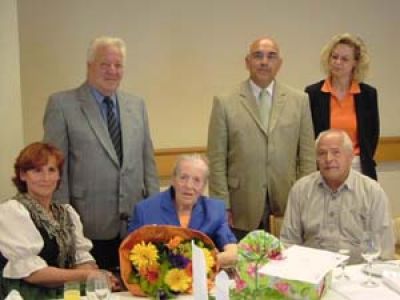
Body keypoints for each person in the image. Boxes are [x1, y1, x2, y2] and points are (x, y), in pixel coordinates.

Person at [43, 36, 160, 271]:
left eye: (118, 65)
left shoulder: (136, 105)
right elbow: (55, 169)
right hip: (87, 227)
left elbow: (148, 162)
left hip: (135, 226)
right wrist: (63, 224)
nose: (112, 71)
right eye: (105, 64)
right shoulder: (62, 105)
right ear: (89, 66)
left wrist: (154, 210)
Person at [207, 36, 316, 239]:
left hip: (287, 204)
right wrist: (222, 206)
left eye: (271, 56)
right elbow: (216, 160)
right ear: (247, 62)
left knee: (286, 267)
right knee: (243, 268)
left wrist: (305, 200)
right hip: (241, 207)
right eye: (258, 56)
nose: (264, 61)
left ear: (279, 64)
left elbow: (308, 157)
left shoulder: (299, 101)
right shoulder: (225, 102)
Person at [0, 142, 119, 299]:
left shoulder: (67, 213)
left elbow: (84, 260)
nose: (46, 178)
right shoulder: (12, 211)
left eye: (52, 170)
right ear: (22, 175)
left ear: (58, 175)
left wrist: (92, 274)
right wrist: (89, 275)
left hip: (66, 292)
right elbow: (33, 274)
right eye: (37, 170)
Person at [280, 129, 394, 263]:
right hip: (312, 273)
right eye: (322, 153)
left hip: (357, 275)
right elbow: (288, 243)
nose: (328, 159)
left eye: (336, 152)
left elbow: (383, 251)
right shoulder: (301, 190)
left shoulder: (372, 192)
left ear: (350, 156)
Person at [128, 154, 237, 267]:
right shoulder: (145, 211)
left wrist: (205, 262)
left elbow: (232, 252)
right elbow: (129, 255)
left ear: (204, 186)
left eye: (197, 180)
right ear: (173, 180)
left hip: (203, 280)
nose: (189, 185)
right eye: (183, 177)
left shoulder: (215, 210)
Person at [306, 33, 379, 180]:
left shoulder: (367, 94)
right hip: (324, 166)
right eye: (334, 57)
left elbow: (372, 135)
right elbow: (308, 136)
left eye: (344, 59)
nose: (337, 62)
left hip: (358, 167)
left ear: (355, 63)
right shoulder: (313, 93)